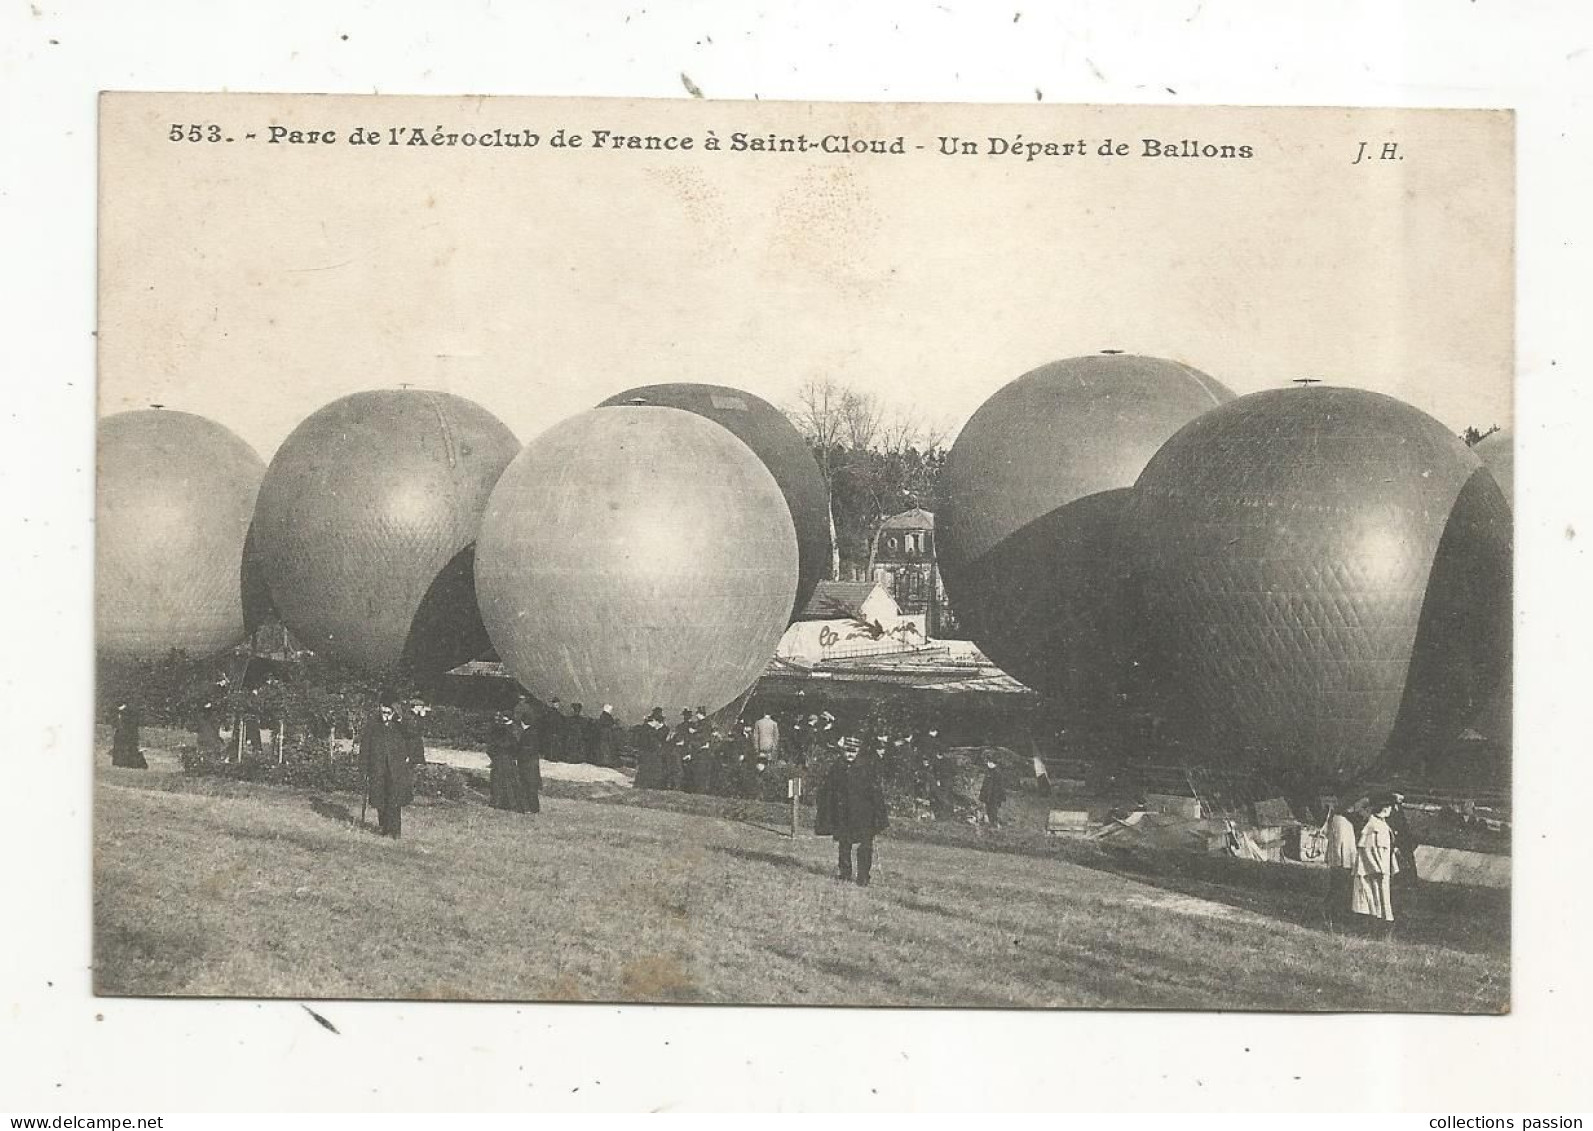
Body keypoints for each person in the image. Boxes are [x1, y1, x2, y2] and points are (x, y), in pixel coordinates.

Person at [815, 736, 890, 886]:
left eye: (853, 751)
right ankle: (845, 873)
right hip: (844, 814)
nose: (850, 754)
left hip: (864, 814)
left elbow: (875, 792)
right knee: (844, 844)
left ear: (858, 752)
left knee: (865, 846)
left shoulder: (866, 768)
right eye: (847, 751)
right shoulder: (837, 767)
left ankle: (863, 876)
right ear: (843, 751)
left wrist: (879, 815)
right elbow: (828, 789)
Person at [361, 690, 426, 838]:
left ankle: (395, 831)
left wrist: (401, 718)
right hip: (378, 767)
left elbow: (414, 731)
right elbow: (365, 746)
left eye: (389, 711)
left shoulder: (401, 723)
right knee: (379, 799)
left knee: (394, 799)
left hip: (396, 768)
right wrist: (363, 768)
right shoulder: (373, 723)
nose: (385, 713)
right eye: (383, 710)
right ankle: (384, 827)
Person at [1352, 793, 1400, 938]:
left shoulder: (1382, 824)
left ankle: (1381, 929)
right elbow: (1366, 849)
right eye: (1390, 807)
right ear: (1385, 808)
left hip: (1382, 869)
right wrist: (1377, 869)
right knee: (1373, 901)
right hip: (1373, 871)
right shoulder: (1373, 826)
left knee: (1382, 900)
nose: (1392, 810)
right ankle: (1375, 930)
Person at [1322, 796, 1358, 931]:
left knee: (1340, 887)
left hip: (1343, 860)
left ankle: (1335, 913)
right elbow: (1340, 845)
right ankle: (1331, 914)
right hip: (1341, 861)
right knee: (1338, 886)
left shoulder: (1343, 820)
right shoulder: (1340, 820)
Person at [485, 712, 521, 811]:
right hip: (508, 760)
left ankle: (496, 802)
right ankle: (510, 803)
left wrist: (494, 757)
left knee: (498, 781)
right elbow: (516, 747)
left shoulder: (498, 731)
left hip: (499, 759)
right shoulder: (513, 731)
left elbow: (490, 748)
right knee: (509, 781)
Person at [513, 712, 542, 814]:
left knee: (526, 786)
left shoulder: (526, 734)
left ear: (522, 722)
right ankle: (535, 808)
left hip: (526, 764)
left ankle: (527, 808)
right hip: (533, 763)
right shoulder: (534, 733)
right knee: (532, 786)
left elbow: (524, 750)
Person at [634, 707, 669, 789]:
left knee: (650, 770)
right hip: (650, 753)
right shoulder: (649, 729)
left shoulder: (660, 729)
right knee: (649, 770)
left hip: (651, 754)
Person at [110, 702, 147, 769]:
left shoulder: (129, 712)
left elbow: (132, 725)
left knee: (130, 748)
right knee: (122, 747)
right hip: (122, 732)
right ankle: (121, 763)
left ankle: (130, 764)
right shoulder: (120, 712)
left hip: (128, 733)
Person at [979, 759, 1007, 828]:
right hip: (987, 795)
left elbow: (1001, 786)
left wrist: (1002, 796)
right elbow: (984, 784)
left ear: (995, 764)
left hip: (995, 795)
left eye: (992, 762)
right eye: (989, 762)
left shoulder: (998, 773)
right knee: (987, 808)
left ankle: (994, 824)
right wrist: (982, 795)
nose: (990, 764)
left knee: (994, 810)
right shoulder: (987, 773)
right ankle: (989, 823)